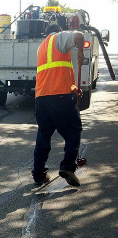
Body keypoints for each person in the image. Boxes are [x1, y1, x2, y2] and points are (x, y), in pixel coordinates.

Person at [32, 24, 85, 187]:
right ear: (59, 31)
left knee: (44, 135)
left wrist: (74, 88)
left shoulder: (41, 47)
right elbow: (79, 36)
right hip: (60, 98)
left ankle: (39, 174)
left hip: (41, 99)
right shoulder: (59, 38)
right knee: (74, 131)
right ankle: (67, 166)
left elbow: (54, 74)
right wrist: (81, 52)